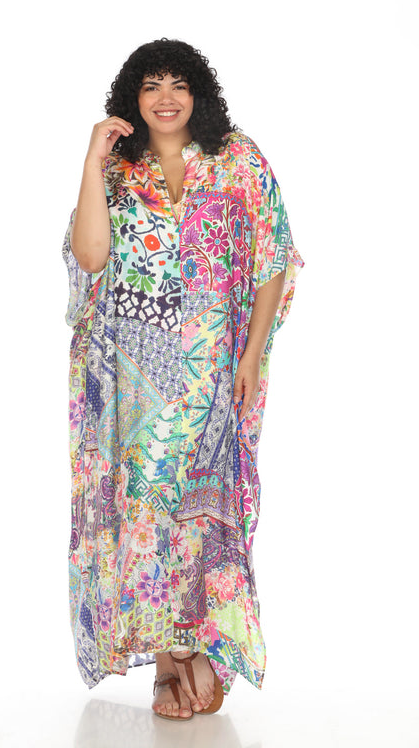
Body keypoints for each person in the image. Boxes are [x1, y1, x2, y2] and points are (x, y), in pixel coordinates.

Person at [62, 38, 304, 721]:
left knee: (202, 508)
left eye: (178, 84)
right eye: (151, 86)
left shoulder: (237, 159)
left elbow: (274, 257)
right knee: (145, 513)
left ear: (197, 93)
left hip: (210, 372)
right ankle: (173, 656)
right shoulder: (118, 171)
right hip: (130, 377)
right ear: (132, 101)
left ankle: (198, 642)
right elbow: (90, 256)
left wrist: (250, 355)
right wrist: (91, 161)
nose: (165, 98)